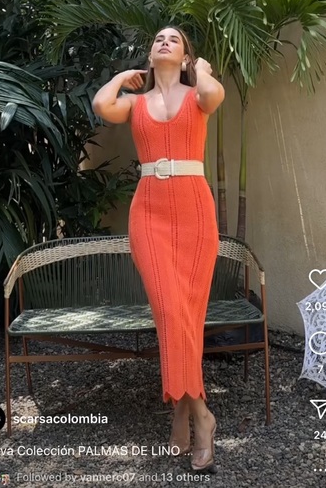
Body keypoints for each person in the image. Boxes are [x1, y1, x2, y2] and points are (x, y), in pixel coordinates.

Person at [92, 26, 225, 472]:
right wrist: (122, 76)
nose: (164, 42)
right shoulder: (135, 103)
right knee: (169, 310)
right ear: (150, 56)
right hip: (149, 215)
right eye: (158, 39)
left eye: (174, 39)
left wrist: (201, 69)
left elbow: (214, 95)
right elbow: (101, 105)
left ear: (185, 55)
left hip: (195, 213)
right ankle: (203, 415)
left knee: (189, 315)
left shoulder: (198, 93)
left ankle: (180, 414)